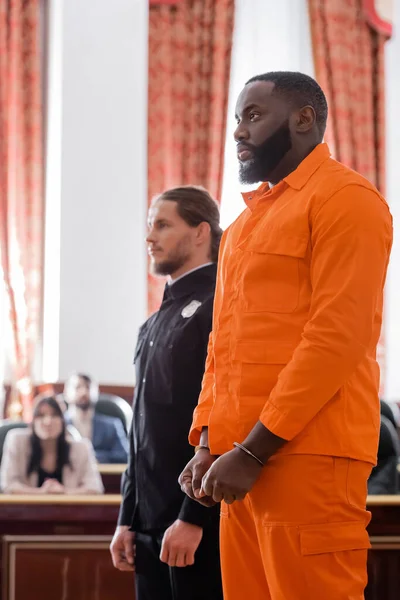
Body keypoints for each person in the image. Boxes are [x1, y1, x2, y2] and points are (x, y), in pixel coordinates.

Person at [180, 71, 393, 600]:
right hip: (238, 463)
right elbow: (221, 344)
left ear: (304, 120)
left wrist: (253, 452)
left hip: (308, 459)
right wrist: (209, 440)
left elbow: (335, 338)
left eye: (253, 115)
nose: (238, 132)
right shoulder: (244, 228)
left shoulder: (347, 200)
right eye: (236, 119)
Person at [110, 186, 223, 600]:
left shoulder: (220, 306)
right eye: (148, 225)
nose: (149, 237)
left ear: (200, 232)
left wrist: (193, 518)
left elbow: (222, 417)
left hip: (196, 528)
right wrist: (128, 519)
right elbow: (141, 436)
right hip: (149, 529)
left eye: (162, 224)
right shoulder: (152, 325)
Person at [0, 395, 104, 494]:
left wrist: (63, 492)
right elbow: (8, 485)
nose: (48, 421)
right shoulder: (16, 440)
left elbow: (95, 488)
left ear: (63, 421)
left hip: (69, 511)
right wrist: (41, 493)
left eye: (54, 415)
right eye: (41, 415)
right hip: (23, 511)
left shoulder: (82, 447)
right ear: (32, 422)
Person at [64, 373, 128, 464]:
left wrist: (92, 456)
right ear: (66, 393)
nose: (84, 392)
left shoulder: (111, 425)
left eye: (88, 387)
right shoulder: (59, 424)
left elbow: (124, 456)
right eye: (78, 387)